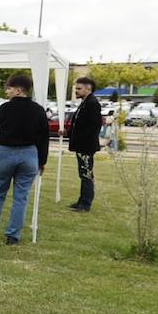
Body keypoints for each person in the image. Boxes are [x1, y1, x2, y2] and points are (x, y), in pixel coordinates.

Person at [0, 74, 49, 245]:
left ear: (18, 90)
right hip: (29, 154)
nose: (7, 91)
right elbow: (43, 137)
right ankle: (13, 235)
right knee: (21, 197)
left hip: (6, 152)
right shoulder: (39, 110)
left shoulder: (5, 108)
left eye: (9, 88)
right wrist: (42, 160)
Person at [68, 76, 103, 212]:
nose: (76, 91)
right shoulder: (85, 103)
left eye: (79, 88)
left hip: (86, 147)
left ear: (88, 88)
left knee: (87, 174)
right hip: (81, 145)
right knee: (83, 173)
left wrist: (83, 141)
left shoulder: (92, 103)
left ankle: (86, 203)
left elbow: (94, 126)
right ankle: (81, 200)